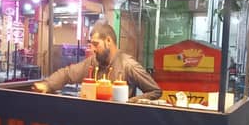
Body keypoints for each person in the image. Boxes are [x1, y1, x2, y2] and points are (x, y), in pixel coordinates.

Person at [33, 23, 161, 100]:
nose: (92, 49)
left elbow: (155, 91)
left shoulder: (128, 65)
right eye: (91, 44)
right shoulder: (93, 63)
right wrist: (47, 85)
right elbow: (67, 73)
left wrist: (131, 102)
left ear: (108, 41)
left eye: (96, 44)